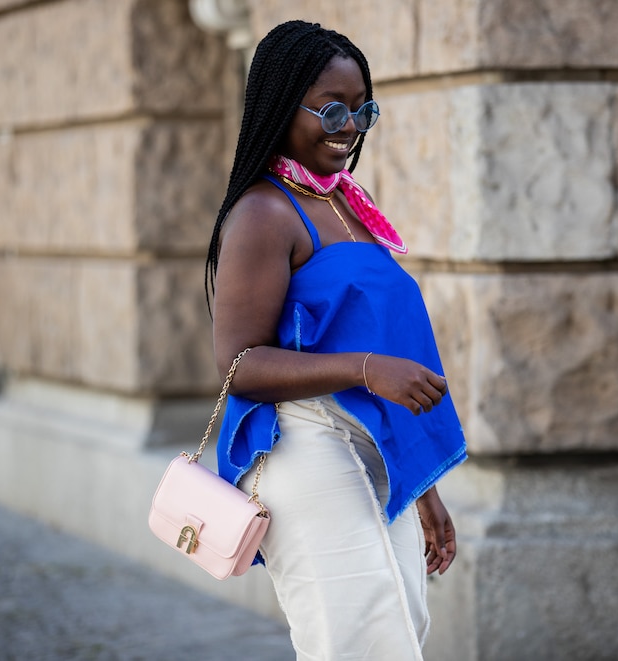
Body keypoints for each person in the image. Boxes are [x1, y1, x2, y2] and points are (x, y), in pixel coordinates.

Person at [205, 19, 467, 660]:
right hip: (298, 440)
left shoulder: (347, 205)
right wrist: (366, 368)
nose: (348, 127)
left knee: (402, 627)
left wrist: (424, 484)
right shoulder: (264, 214)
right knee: (359, 639)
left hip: (370, 443)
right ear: (279, 106)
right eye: (330, 110)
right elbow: (239, 364)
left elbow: (377, 345)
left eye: (360, 109)